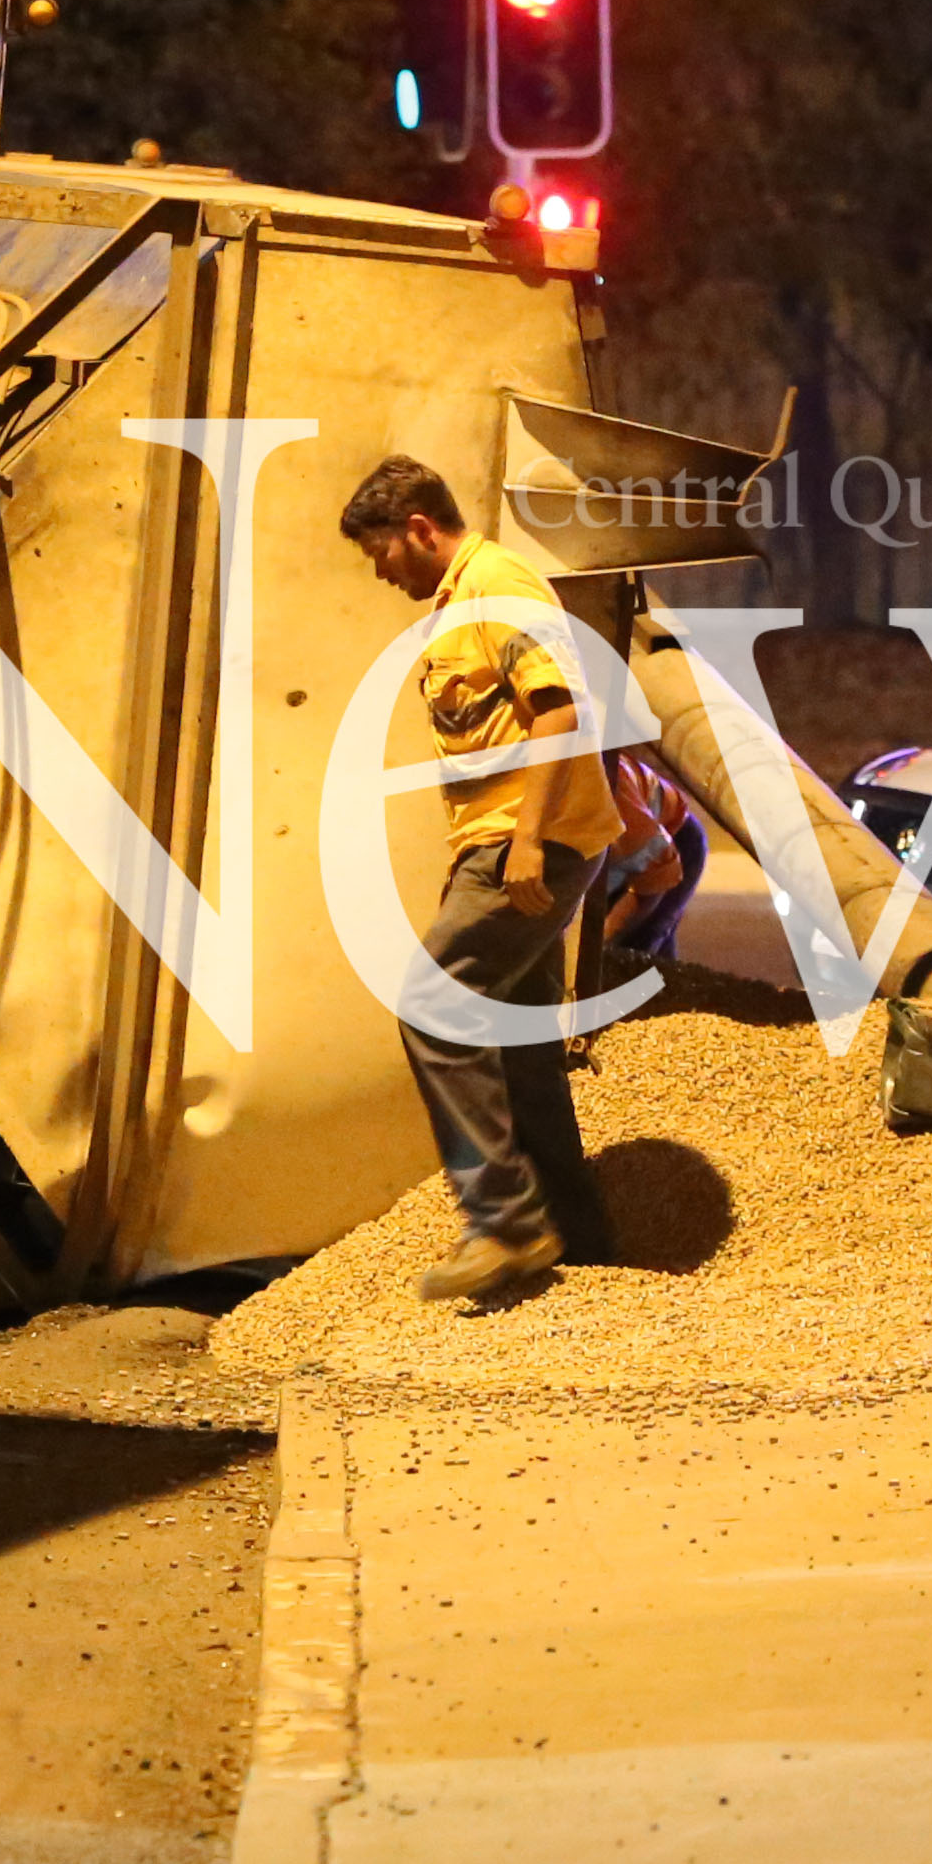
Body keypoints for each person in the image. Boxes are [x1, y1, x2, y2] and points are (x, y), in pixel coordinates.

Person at [341, 453, 625, 1303]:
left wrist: (525, 845)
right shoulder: (459, 605)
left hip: (530, 845)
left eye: (381, 551)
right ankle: (585, 1243)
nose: (380, 570)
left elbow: (561, 708)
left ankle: (503, 1221)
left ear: (419, 527)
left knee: (431, 1004)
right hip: (500, 845)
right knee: (524, 1042)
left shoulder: (500, 583)